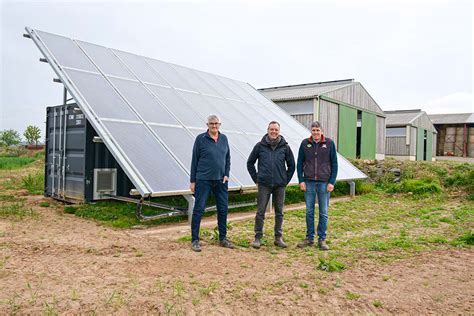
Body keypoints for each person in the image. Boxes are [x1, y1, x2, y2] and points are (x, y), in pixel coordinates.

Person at [247, 121, 295, 249]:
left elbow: (292, 165)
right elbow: (250, 163)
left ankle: (278, 237)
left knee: (279, 212)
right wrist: (256, 179)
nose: (274, 132)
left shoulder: (285, 147)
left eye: (276, 130)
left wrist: (285, 180)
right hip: (264, 184)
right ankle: (257, 237)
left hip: (280, 185)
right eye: (271, 129)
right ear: (267, 130)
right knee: (260, 211)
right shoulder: (260, 146)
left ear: (279, 131)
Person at [190, 115, 234, 252]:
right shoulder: (200, 139)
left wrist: (226, 174)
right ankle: (195, 239)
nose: (214, 126)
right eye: (211, 124)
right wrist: (193, 181)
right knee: (199, 209)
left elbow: (227, 158)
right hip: (203, 179)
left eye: (216, 123)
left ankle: (223, 238)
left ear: (220, 124)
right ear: (207, 125)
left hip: (221, 180)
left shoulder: (224, 138)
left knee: (223, 209)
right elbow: (194, 160)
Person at [296, 121, 338, 250]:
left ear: (322, 131)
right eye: (313, 130)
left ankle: (322, 239)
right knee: (309, 211)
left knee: (323, 212)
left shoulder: (329, 144)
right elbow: (299, 163)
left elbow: (334, 164)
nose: (315, 132)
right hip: (308, 181)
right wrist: (301, 180)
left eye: (317, 130)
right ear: (311, 131)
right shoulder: (304, 143)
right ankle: (309, 238)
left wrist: (332, 181)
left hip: (324, 182)